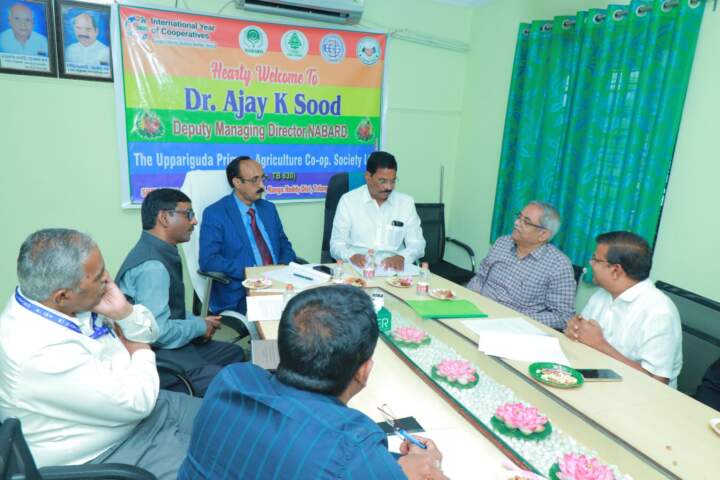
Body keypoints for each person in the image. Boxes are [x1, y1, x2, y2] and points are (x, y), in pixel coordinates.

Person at [178, 285, 447, 479]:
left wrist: (394, 465)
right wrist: (428, 468)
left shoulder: (232, 380)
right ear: (364, 371)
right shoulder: (353, 445)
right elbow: (342, 458)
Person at [0, 229, 202, 479]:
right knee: (222, 464)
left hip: (148, 406)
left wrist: (125, 314)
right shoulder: (37, 351)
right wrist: (138, 345)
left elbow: (150, 331)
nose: (108, 280)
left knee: (234, 420)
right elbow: (137, 401)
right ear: (63, 296)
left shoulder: (63, 299)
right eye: (99, 277)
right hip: (111, 448)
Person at [117, 188, 246, 396]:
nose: (194, 221)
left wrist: (199, 322)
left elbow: (165, 309)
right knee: (229, 381)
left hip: (168, 347)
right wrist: (199, 326)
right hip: (158, 356)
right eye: (188, 214)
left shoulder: (157, 250)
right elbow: (158, 332)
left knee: (235, 353)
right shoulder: (153, 267)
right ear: (164, 218)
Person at [565, 231, 682, 387]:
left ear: (616, 270)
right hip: (596, 379)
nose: (591, 263)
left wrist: (600, 345)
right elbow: (584, 338)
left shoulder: (659, 312)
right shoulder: (602, 294)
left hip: (637, 395)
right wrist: (575, 332)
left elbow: (656, 382)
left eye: (595, 259)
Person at [199, 156, 296, 314]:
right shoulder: (216, 213)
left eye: (263, 178)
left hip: (279, 284)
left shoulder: (268, 209)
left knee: (311, 309)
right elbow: (208, 260)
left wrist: (282, 269)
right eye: (254, 180)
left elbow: (284, 244)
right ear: (237, 182)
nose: (262, 185)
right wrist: (251, 273)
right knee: (280, 315)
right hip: (242, 292)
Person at [467, 201, 575, 329]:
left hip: (515, 328)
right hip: (478, 311)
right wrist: (471, 300)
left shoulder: (559, 266)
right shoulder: (502, 243)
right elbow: (480, 277)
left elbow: (562, 316)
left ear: (543, 234)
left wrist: (518, 318)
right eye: (519, 217)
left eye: (526, 222)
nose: (516, 223)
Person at [330, 151, 425, 272]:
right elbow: (336, 245)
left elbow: (418, 245)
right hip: (357, 269)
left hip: (394, 272)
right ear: (368, 177)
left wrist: (402, 257)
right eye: (383, 181)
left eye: (393, 181)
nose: (389, 187)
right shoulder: (348, 201)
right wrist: (352, 256)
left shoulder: (406, 203)